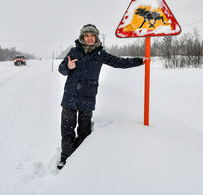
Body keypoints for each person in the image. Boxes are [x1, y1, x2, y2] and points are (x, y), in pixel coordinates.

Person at [57, 24, 146, 169]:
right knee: (67, 129)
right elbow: (62, 69)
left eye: (92, 36)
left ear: (96, 37)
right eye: (87, 36)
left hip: (88, 97)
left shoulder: (100, 54)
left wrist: (139, 61)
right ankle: (65, 157)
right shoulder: (74, 52)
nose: (90, 39)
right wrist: (68, 67)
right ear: (82, 37)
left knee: (84, 131)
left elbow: (119, 62)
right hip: (70, 96)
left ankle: (79, 159)